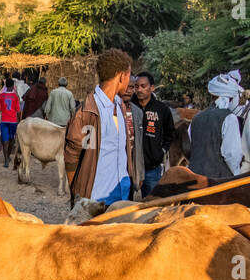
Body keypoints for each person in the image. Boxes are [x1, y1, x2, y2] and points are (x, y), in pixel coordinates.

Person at [66, 48, 139, 207]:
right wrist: (78, 196)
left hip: (122, 197)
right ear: (121, 76)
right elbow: (72, 157)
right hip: (97, 201)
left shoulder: (120, 107)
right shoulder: (88, 112)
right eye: (128, 75)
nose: (129, 81)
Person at [188, 71, 245, 177]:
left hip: (194, 176)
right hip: (217, 179)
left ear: (212, 96)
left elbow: (194, 145)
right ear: (231, 98)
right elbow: (232, 155)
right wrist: (236, 174)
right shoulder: (229, 118)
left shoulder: (196, 118)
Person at [130, 71, 175, 196]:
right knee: (125, 204)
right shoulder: (128, 106)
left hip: (152, 166)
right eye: (136, 86)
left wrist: (162, 150)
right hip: (130, 166)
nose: (139, 90)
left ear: (152, 87)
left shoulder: (161, 109)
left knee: (152, 202)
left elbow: (170, 132)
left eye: (143, 86)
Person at [0, 76, 21, 168]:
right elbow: (18, 111)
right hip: (13, 121)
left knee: (5, 141)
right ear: (13, 86)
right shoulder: (15, 96)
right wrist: (20, 121)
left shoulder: (1, 96)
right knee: (12, 140)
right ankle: (8, 156)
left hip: (4, 121)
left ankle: (6, 159)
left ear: (5, 85)